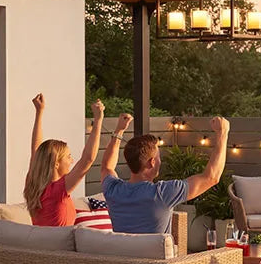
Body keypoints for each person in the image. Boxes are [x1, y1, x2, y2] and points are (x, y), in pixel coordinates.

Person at [100, 114, 230, 235]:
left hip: (124, 258)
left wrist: (119, 130)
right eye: (158, 157)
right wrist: (222, 133)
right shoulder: (162, 193)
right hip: (159, 259)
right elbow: (211, 177)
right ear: (152, 163)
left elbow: (106, 166)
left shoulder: (112, 190)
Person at [23, 94, 104, 226]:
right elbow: (87, 160)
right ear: (56, 164)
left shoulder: (33, 186)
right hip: (61, 246)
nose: (72, 161)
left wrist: (39, 112)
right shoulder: (58, 191)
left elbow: (36, 150)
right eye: (68, 157)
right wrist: (98, 120)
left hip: (44, 244)